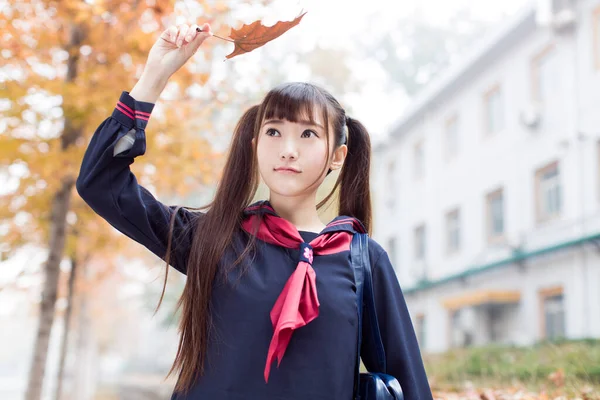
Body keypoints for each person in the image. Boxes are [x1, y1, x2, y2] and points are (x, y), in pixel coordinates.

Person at [76, 21, 433, 400]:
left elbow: (408, 384)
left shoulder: (363, 260)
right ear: (255, 144)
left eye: (308, 134)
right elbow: (101, 183)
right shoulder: (212, 239)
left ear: (337, 156)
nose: (288, 149)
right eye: (274, 131)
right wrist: (154, 76)